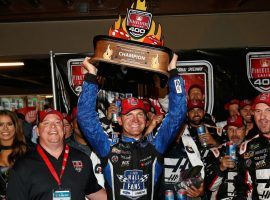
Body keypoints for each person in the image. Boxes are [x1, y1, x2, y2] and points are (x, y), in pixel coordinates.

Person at [77, 54, 187, 200]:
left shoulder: (156, 146)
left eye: (140, 114)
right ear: (120, 121)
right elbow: (85, 117)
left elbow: (177, 114)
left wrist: (173, 71)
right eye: (129, 115)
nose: (135, 119)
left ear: (146, 120)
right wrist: (91, 75)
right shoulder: (108, 147)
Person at [7, 108, 106, 200]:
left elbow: (94, 192)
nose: (53, 126)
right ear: (37, 131)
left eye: (58, 122)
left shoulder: (82, 159)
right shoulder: (23, 165)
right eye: (46, 123)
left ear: (63, 130)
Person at [234, 92, 270, 200]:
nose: (262, 117)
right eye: (258, 111)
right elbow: (243, 187)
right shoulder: (247, 148)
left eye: (268, 110)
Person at [207, 115, 250, 199]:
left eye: (238, 129)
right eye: (231, 129)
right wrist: (220, 168)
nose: (234, 134)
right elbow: (210, 188)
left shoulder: (254, 150)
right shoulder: (216, 152)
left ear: (246, 131)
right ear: (226, 132)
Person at [0, 110, 28, 200]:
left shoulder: (28, 152)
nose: (5, 128)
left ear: (15, 126)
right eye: (0, 125)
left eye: (9, 124)